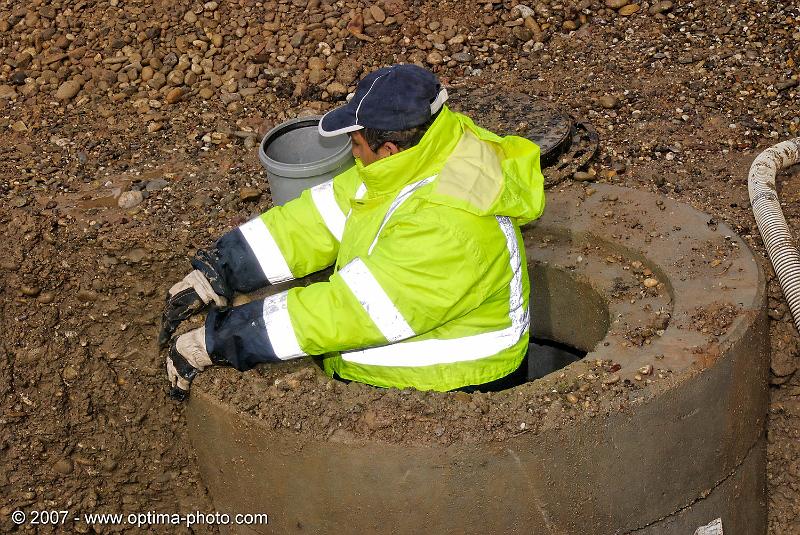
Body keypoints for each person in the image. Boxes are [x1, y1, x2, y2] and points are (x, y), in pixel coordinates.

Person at [161, 64, 545, 400]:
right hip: (425, 357)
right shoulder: (428, 151)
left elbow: (350, 311)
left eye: (357, 143)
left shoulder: (449, 226)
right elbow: (318, 218)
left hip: (451, 386)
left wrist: (220, 339)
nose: (352, 153)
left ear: (390, 149)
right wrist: (219, 269)